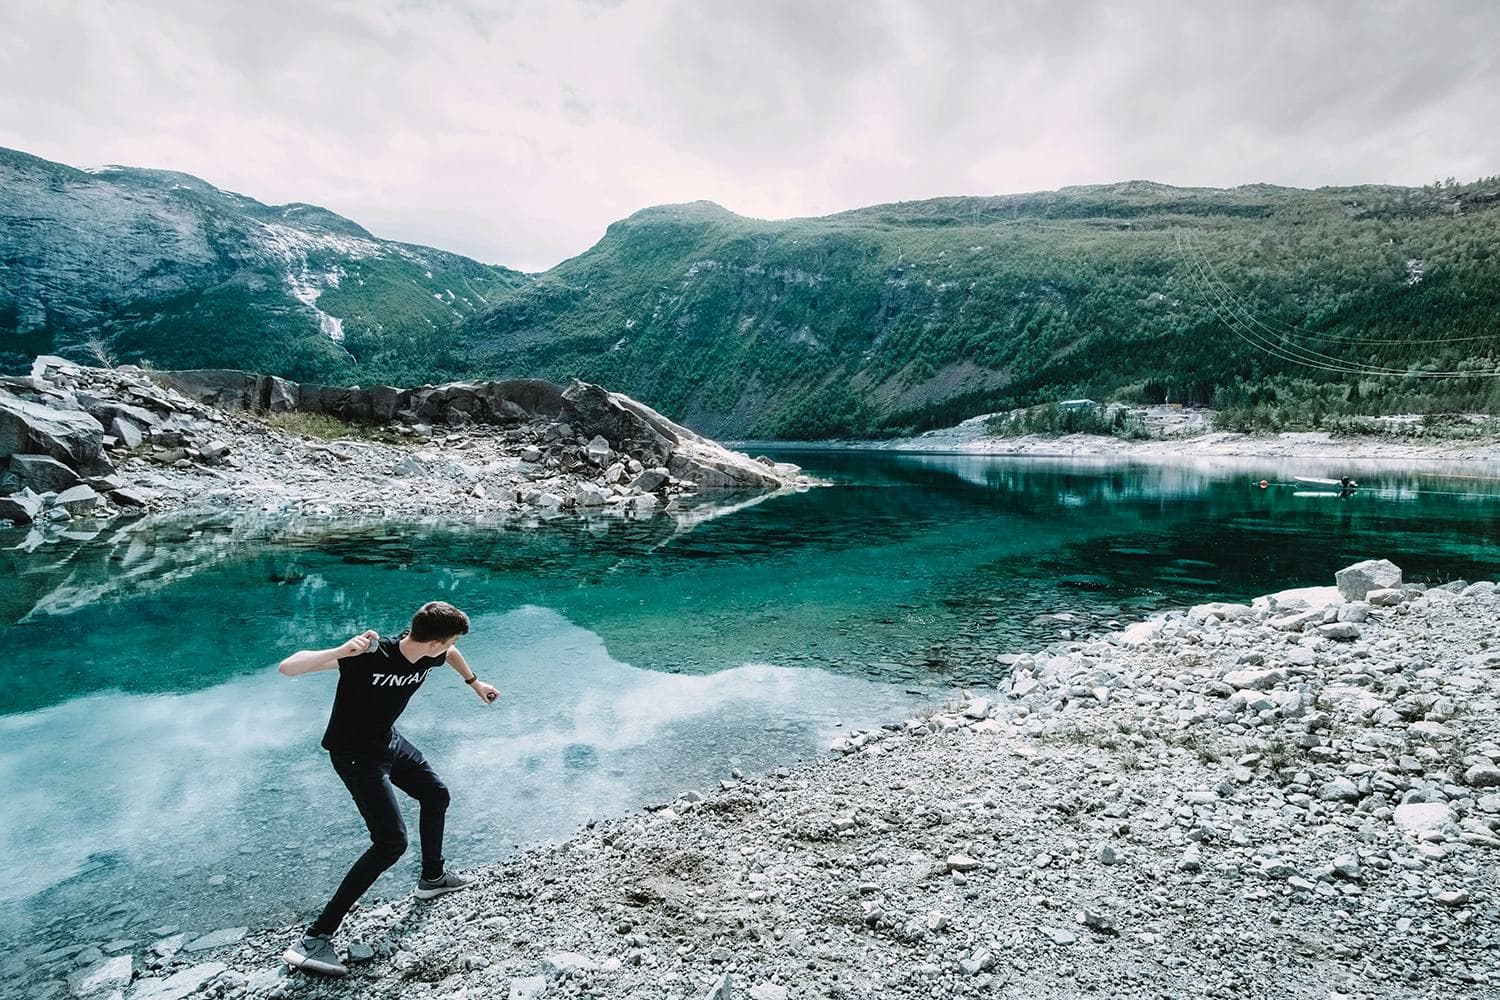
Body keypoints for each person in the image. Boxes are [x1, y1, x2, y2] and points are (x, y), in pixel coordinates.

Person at [276, 600, 500, 977]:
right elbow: (289, 667)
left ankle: (433, 878)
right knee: (390, 843)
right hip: (353, 755)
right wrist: (340, 651)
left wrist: (474, 682)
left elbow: (452, 653)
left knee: (435, 794)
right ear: (432, 641)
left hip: (388, 743)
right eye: (448, 641)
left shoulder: (431, 654)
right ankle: (314, 939)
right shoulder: (368, 655)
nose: (450, 648)